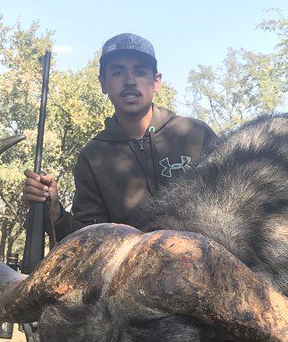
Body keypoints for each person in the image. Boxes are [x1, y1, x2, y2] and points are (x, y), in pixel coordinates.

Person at [22, 33, 217, 240]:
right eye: (117, 72)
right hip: (133, 261)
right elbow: (91, 238)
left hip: (207, 257)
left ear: (156, 82)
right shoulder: (93, 157)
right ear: (103, 83)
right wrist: (56, 214)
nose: (130, 81)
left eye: (140, 72)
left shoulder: (197, 134)